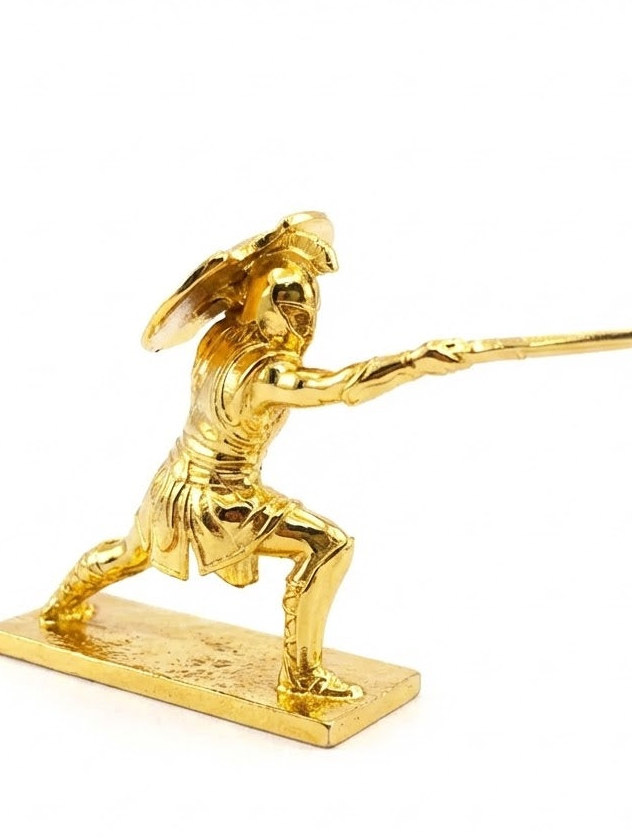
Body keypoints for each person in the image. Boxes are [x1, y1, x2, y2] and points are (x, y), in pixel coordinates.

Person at [39, 212, 473, 700]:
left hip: (173, 480)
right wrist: (415, 362)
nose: (305, 319)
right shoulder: (265, 374)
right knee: (327, 546)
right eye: (296, 309)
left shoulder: (221, 338)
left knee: (130, 552)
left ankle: (61, 604)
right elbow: (338, 387)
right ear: (269, 308)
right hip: (219, 498)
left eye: (308, 306)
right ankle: (302, 675)